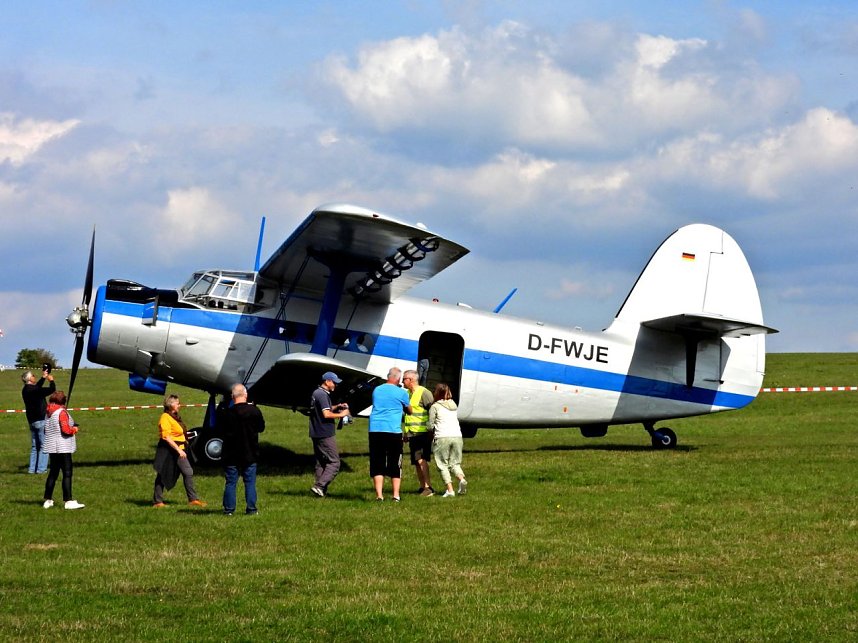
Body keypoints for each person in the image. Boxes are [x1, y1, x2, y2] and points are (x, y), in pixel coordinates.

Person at [152, 393, 206, 508]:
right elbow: (166, 437)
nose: (179, 405)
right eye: (177, 403)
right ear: (170, 405)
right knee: (162, 474)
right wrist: (178, 450)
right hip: (168, 450)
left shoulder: (175, 416)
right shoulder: (165, 418)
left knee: (188, 472)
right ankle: (158, 501)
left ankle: (193, 499)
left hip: (180, 449)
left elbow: (178, 432)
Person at [221, 383, 266, 515]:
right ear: (245, 395)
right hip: (249, 451)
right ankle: (251, 508)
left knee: (231, 482)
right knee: (250, 482)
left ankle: (229, 509)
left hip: (230, 452)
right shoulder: (254, 411)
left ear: (232, 396)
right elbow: (261, 428)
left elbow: (221, 430)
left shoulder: (226, 413)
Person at [368, 367, 412, 501]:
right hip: (393, 430)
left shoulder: (377, 390)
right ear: (398, 379)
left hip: (375, 429)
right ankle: (396, 495)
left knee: (377, 461)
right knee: (394, 462)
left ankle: (379, 495)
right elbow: (409, 410)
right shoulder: (401, 392)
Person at [309, 371, 350, 498]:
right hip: (325, 433)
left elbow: (325, 409)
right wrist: (342, 415)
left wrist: (337, 406)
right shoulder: (322, 395)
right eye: (334, 382)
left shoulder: (318, 393)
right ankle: (319, 486)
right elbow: (326, 414)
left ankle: (320, 491)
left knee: (321, 462)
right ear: (327, 381)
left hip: (316, 432)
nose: (335, 385)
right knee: (334, 462)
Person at [42, 390, 85, 509]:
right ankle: (68, 500)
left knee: (53, 474)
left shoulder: (48, 413)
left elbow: (46, 430)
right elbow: (66, 430)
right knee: (67, 473)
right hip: (63, 447)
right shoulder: (61, 412)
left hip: (52, 447)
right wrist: (74, 429)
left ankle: (48, 499)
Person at [429, 383, 468, 498]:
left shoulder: (435, 406)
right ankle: (461, 479)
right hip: (457, 436)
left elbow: (431, 424)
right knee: (455, 463)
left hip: (442, 436)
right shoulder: (453, 405)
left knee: (442, 464)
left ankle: (450, 490)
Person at [402, 369, 436, 496]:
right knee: (416, 461)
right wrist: (406, 433)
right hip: (412, 433)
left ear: (411, 380)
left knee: (421, 459)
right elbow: (407, 415)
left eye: (404, 379)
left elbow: (432, 411)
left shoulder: (424, 392)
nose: (402, 381)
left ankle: (428, 487)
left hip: (422, 433)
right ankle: (423, 486)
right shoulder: (408, 393)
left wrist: (431, 430)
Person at [22, 368, 55, 474]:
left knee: (34, 447)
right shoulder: (36, 390)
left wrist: (43, 377)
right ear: (30, 379)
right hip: (41, 419)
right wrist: (51, 380)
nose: (34, 377)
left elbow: (36, 387)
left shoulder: (25, 390)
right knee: (43, 446)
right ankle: (41, 469)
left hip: (31, 421)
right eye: (33, 376)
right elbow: (51, 390)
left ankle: (32, 469)